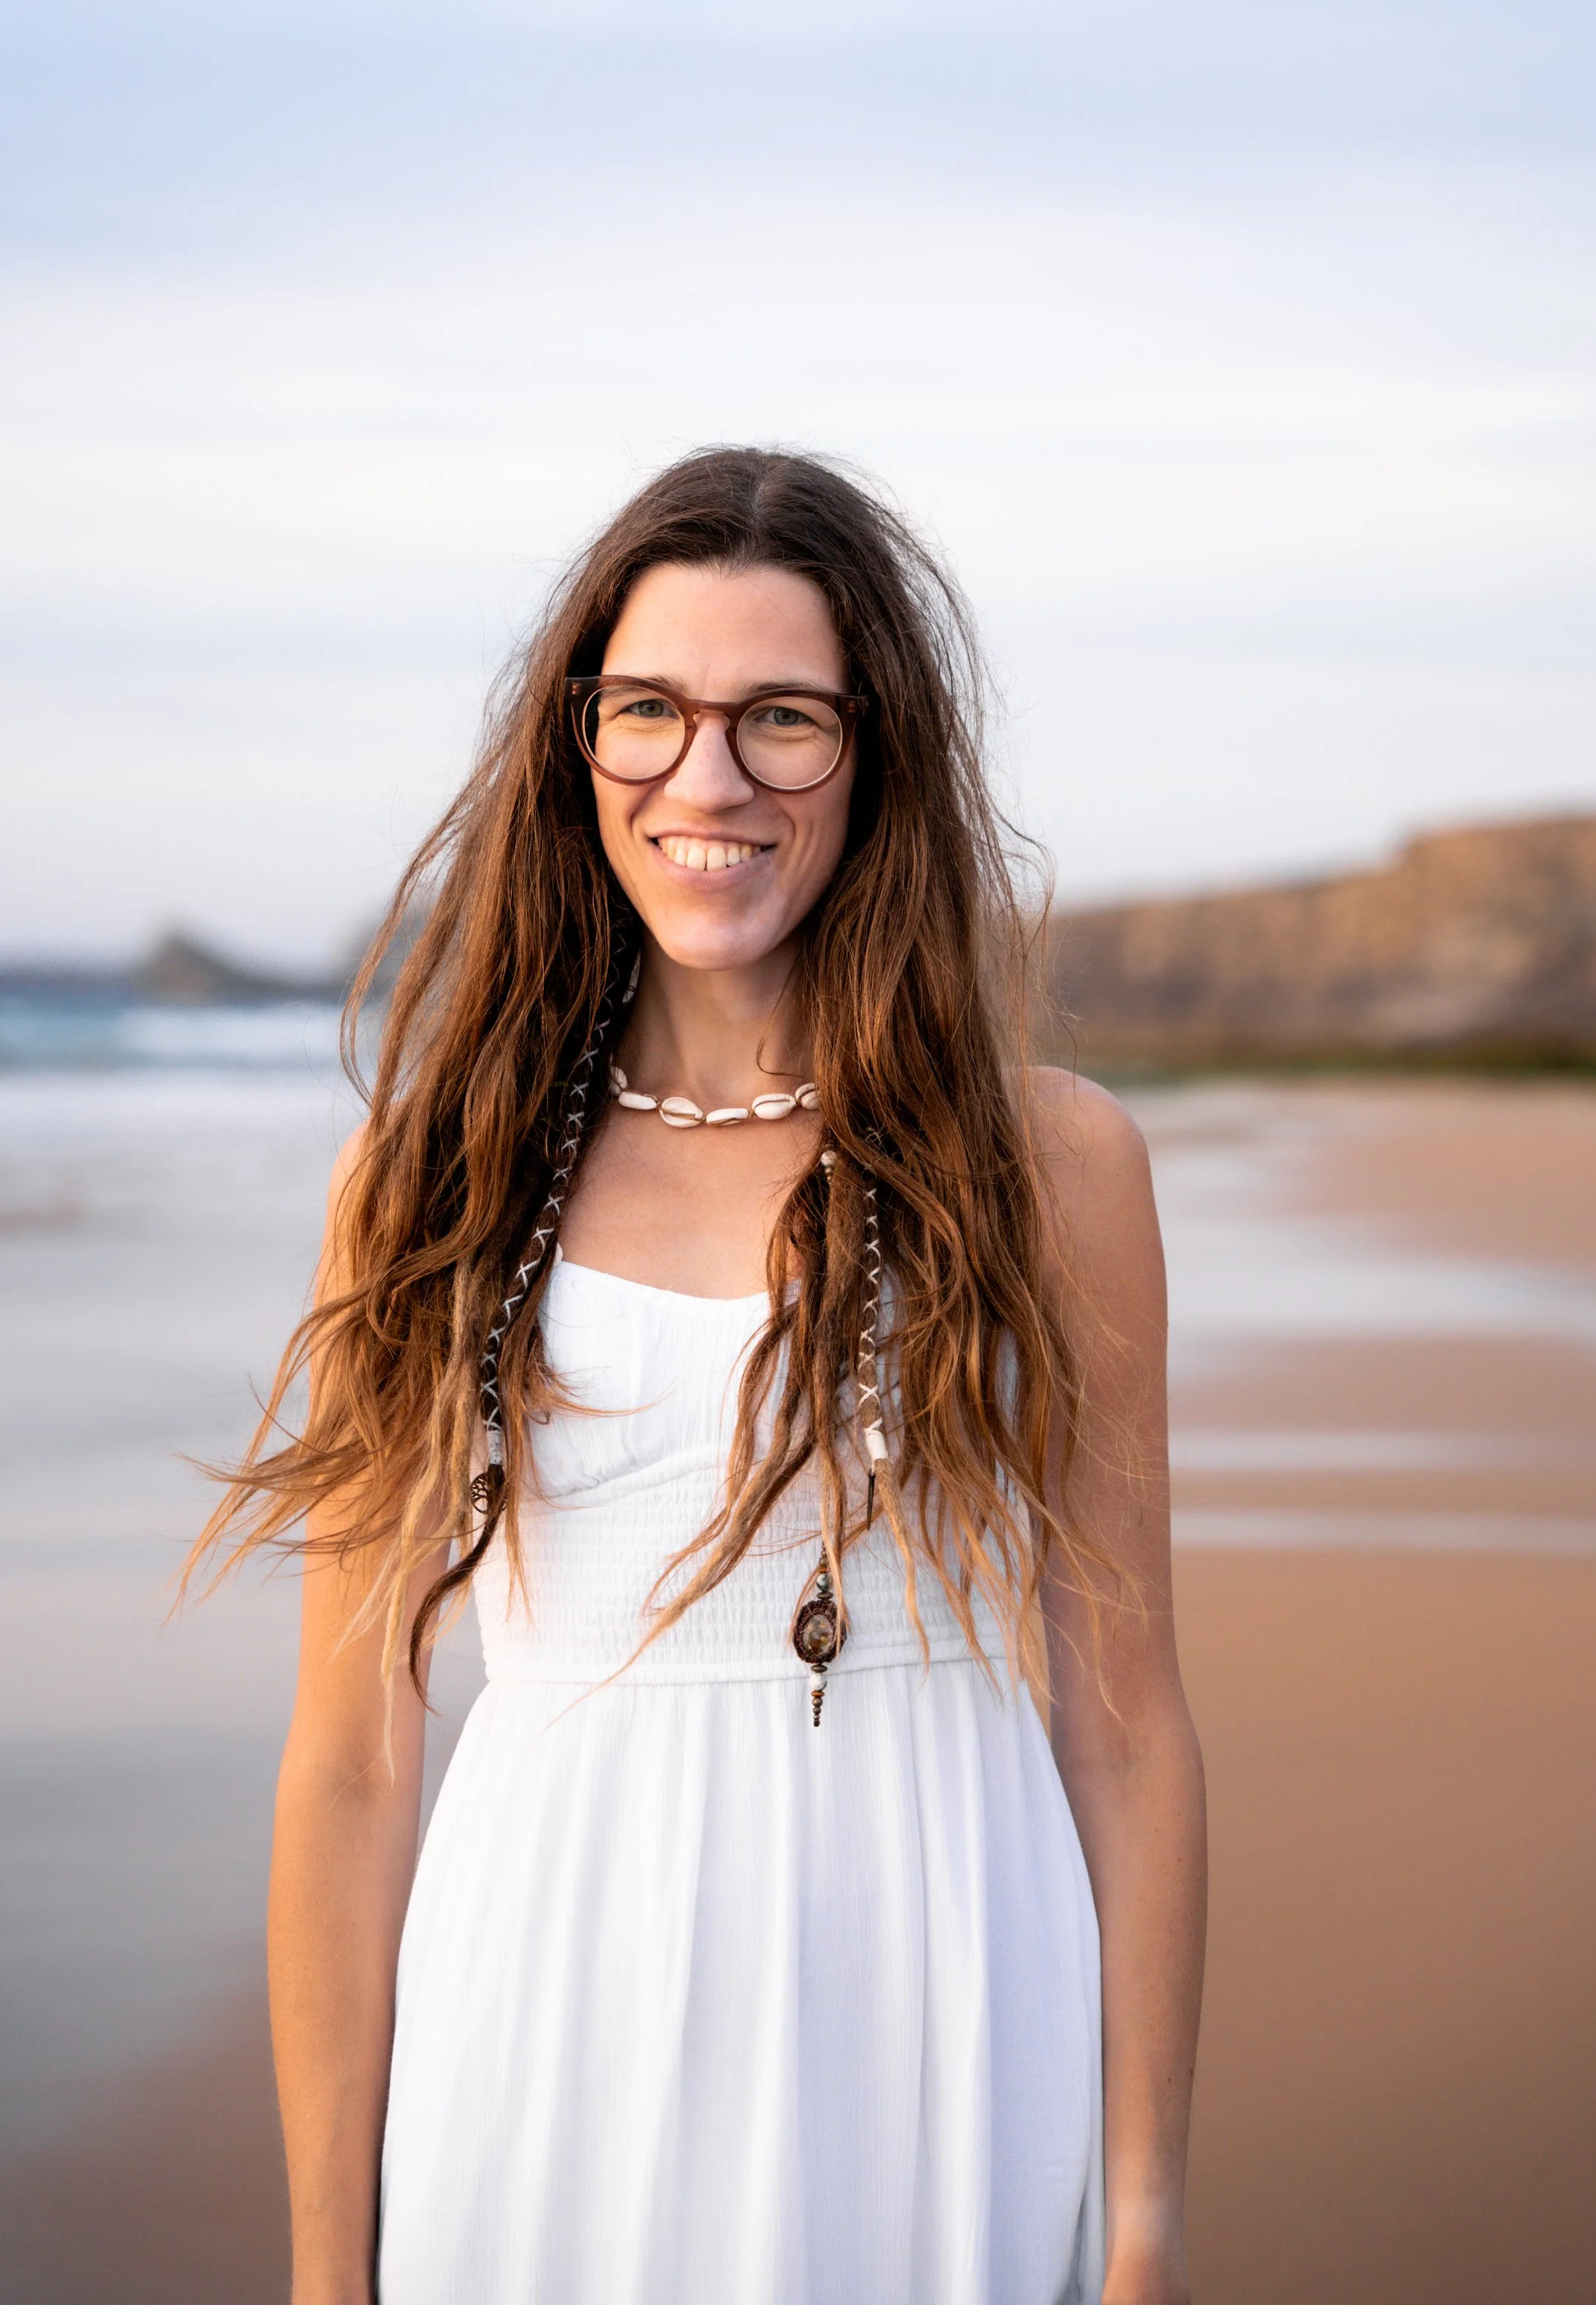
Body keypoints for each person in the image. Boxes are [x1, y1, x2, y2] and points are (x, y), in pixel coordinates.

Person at [200, 448, 1206, 2305]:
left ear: (874, 753)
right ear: (575, 745)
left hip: (943, 1993)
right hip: (544, 2004)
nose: (706, 779)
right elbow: (350, 1762)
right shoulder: (436, 1173)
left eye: (781, 722)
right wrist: (322, 2273)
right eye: (646, 711)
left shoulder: (1046, 1166)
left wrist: (1142, 2232)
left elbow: (1123, 1726)